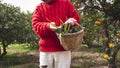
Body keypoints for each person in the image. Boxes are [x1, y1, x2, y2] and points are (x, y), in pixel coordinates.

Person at [32, 0, 80, 68]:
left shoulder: (65, 3)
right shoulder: (39, 8)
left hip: (63, 48)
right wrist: (48, 26)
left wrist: (71, 21)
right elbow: (36, 25)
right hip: (46, 50)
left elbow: (76, 18)